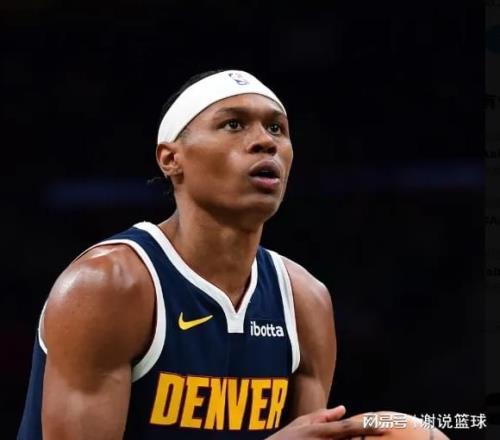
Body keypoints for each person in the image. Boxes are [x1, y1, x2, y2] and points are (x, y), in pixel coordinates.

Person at [17, 69, 447, 440]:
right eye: (234, 124)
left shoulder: (305, 301)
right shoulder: (109, 286)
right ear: (171, 159)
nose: (264, 142)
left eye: (276, 128)